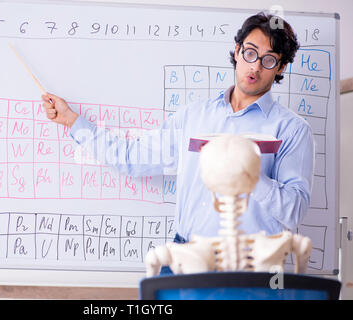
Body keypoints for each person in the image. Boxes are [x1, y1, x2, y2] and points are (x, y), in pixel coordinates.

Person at [41, 13, 314, 246]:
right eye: (250, 52)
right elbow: (130, 158)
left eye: (268, 60)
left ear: (281, 67)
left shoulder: (291, 130)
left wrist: (251, 177)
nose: (255, 66)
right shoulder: (193, 117)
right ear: (237, 49)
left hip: (250, 270)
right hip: (186, 258)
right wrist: (72, 121)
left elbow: (294, 211)